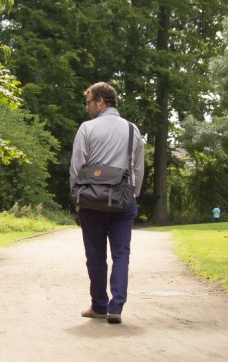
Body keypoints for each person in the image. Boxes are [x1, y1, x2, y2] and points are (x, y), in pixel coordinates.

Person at [68, 82, 142, 324]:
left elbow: (77, 166)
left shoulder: (87, 128)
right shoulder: (133, 130)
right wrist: (134, 194)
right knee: (122, 254)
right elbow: (138, 168)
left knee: (95, 255)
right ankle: (116, 306)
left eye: (89, 101)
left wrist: (76, 196)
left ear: (100, 101)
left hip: (91, 200)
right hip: (123, 200)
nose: (87, 106)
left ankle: (99, 305)